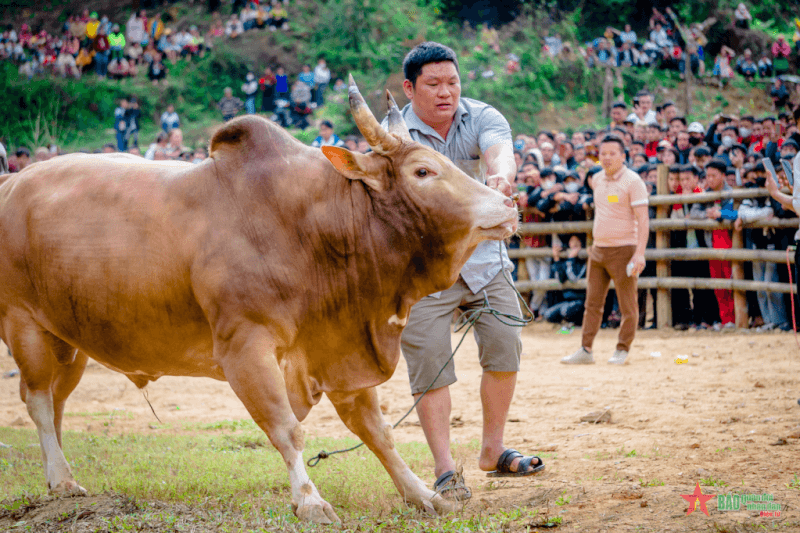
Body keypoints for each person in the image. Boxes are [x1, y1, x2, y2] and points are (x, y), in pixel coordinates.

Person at [392, 42, 543, 502]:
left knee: (505, 348)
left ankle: (492, 450)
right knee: (430, 366)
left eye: (452, 82)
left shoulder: (482, 116)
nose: (446, 92)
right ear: (409, 89)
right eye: (433, 84)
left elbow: (501, 152)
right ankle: (445, 470)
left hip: (484, 261)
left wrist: (499, 176)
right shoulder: (394, 134)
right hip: (422, 269)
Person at [562, 135, 649, 365]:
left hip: (624, 249)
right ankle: (585, 349)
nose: (607, 157)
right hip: (598, 249)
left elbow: (643, 219)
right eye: (603, 153)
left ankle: (622, 349)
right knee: (592, 303)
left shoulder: (633, 181)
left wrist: (639, 253)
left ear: (623, 156)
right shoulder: (597, 179)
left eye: (612, 153)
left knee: (627, 305)